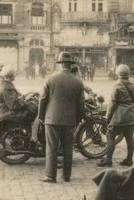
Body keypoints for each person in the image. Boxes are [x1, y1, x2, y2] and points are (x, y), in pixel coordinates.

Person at [38, 52, 85, 183]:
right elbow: (81, 104)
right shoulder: (78, 82)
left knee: (51, 147)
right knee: (68, 148)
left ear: (59, 64)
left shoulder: (50, 79)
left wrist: (41, 116)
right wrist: (78, 119)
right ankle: (66, 175)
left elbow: (42, 100)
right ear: (70, 65)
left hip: (51, 118)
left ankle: (50, 176)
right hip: (70, 119)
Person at [97, 64, 134, 167]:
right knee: (129, 137)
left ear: (117, 73)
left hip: (119, 116)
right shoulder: (133, 86)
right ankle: (129, 160)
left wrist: (108, 116)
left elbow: (113, 103)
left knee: (110, 135)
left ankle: (108, 160)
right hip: (131, 116)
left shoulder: (117, 85)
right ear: (128, 74)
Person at [0, 67, 40, 145]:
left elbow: (15, 97)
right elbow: (14, 105)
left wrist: (27, 95)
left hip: (6, 111)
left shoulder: (4, 85)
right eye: (14, 74)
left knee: (33, 108)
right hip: (9, 113)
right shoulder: (6, 88)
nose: (15, 76)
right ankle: (34, 137)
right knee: (36, 112)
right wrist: (26, 100)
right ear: (10, 76)